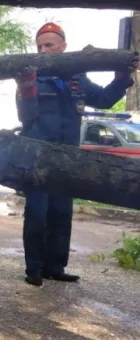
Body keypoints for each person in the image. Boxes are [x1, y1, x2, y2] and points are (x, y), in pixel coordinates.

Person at [15, 22, 138, 287]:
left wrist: (121, 79)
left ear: (63, 46)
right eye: (39, 46)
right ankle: (34, 269)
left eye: (49, 45)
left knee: (61, 214)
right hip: (38, 159)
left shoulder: (77, 78)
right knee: (37, 215)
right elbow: (25, 117)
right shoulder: (32, 77)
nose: (43, 50)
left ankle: (55, 267)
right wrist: (26, 89)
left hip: (69, 159)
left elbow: (104, 100)